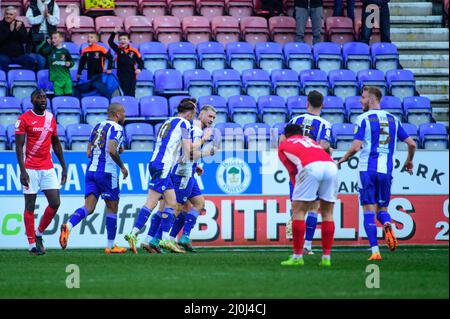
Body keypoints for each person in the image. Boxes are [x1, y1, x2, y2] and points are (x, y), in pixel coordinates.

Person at [337, 87, 416, 260]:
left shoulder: (363, 119)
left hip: (367, 169)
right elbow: (412, 144)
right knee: (382, 209)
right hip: (386, 171)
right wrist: (409, 160)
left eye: (363, 97)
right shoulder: (394, 119)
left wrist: (343, 159)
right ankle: (387, 223)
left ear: (372, 100)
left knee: (368, 211)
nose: (360, 101)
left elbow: (356, 147)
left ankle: (375, 251)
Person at [124, 98, 197, 254]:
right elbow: (188, 148)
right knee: (154, 203)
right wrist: (204, 141)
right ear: (189, 113)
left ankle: (162, 240)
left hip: (154, 162)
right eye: (193, 114)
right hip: (163, 165)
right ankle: (134, 233)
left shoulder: (167, 122)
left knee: (171, 202)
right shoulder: (184, 124)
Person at [141, 105, 217, 253]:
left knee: (198, 203)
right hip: (181, 172)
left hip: (189, 172)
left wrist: (197, 165)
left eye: (214, 118)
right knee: (173, 207)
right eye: (209, 116)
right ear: (200, 114)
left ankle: (179, 238)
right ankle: (157, 239)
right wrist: (208, 152)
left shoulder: (195, 129)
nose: (211, 120)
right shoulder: (195, 129)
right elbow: (188, 154)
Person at [59, 103, 128, 254]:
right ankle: (110, 246)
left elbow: (89, 152)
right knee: (112, 207)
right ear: (117, 114)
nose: (124, 116)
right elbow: (111, 150)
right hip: (107, 172)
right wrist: (122, 167)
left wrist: (116, 149)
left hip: (90, 171)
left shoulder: (97, 126)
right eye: (123, 113)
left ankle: (68, 226)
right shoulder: (117, 128)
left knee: (89, 207)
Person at [15, 89, 67, 255]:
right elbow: (18, 146)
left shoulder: (51, 118)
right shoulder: (23, 119)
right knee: (30, 205)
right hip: (30, 168)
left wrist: (64, 167)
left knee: (55, 202)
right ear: (32, 100)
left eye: (44, 97)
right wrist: (23, 171)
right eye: (39, 97)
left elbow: (56, 143)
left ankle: (38, 234)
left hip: (47, 167)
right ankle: (31, 244)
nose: (43, 99)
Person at [278, 124, 338, 267]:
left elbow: (293, 172)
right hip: (331, 166)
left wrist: (297, 197)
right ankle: (326, 258)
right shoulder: (311, 141)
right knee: (327, 212)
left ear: (286, 135)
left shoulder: (284, 145)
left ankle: (298, 257)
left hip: (310, 167)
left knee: (299, 210)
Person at [280, 90, 332, 254]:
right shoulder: (324, 124)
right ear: (322, 105)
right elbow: (324, 145)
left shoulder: (295, 120)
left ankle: (293, 224)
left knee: (297, 206)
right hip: (313, 168)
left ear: (306, 103)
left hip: (296, 169)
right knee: (313, 207)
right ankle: (307, 245)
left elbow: (282, 141)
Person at [108, 26, 144, 97]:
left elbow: (141, 62)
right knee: (123, 93)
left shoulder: (134, 51)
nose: (122, 41)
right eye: (120, 39)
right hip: (121, 75)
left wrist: (139, 69)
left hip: (132, 76)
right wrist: (114, 33)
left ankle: (131, 106)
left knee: (131, 94)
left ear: (129, 40)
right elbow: (110, 42)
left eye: (124, 39)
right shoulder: (118, 50)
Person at [26, 0, 60, 70]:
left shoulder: (53, 4)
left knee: (51, 63)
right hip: (38, 37)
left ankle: (48, 79)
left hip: (51, 37)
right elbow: (30, 20)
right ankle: (41, 77)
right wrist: (42, 16)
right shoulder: (33, 4)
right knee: (41, 63)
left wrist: (48, 15)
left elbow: (56, 21)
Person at [37, 31, 74, 96]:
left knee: (69, 96)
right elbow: (40, 51)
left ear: (61, 39)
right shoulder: (50, 50)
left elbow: (72, 62)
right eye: (52, 38)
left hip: (66, 78)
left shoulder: (65, 51)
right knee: (58, 97)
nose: (53, 40)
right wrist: (46, 43)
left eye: (55, 38)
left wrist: (70, 63)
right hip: (56, 79)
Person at [0, 6, 36, 71]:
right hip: (4, 54)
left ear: (15, 16)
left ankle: (22, 76)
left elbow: (24, 40)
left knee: (30, 61)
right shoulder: (0, 24)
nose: (8, 16)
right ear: (4, 14)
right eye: (6, 14)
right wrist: (10, 31)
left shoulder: (20, 24)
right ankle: (8, 78)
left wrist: (18, 30)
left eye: (11, 14)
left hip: (18, 55)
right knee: (2, 62)